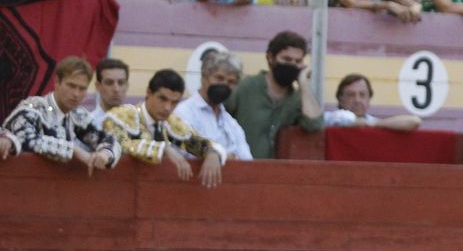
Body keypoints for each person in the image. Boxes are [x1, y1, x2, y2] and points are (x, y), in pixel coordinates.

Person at [105, 67, 225, 186]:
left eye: (174, 102)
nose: (167, 107)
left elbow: (197, 143)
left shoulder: (172, 123)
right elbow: (119, 144)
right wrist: (164, 149)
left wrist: (212, 153)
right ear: (149, 93)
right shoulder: (120, 116)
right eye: (162, 99)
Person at [0, 57, 121, 173]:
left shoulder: (77, 115)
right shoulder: (33, 108)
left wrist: (104, 154)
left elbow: (110, 140)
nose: (76, 94)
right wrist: (73, 151)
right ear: (57, 82)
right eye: (71, 86)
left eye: (82, 89)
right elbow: (25, 140)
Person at [225, 30, 324, 160]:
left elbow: (315, 125)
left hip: (278, 170)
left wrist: (304, 84)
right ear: (271, 58)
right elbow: (218, 118)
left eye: (298, 61)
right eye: (287, 59)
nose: (292, 65)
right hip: (242, 167)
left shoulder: (297, 98)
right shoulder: (246, 87)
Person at [174, 47, 252, 160]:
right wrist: (226, 156)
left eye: (231, 81)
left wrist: (221, 156)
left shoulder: (231, 124)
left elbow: (247, 161)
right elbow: (183, 151)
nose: (224, 84)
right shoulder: (184, 112)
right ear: (204, 76)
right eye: (219, 78)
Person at [325, 73, 422, 131]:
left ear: (369, 99)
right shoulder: (328, 119)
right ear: (340, 100)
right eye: (351, 95)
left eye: (362, 94)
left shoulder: (373, 122)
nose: (357, 100)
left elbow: (415, 121)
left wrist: (370, 124)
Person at [87, 57, 131, 128]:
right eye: (109, 83)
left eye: (121, 83)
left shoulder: (136, 124)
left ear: (127, 86)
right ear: (98, 86)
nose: (116, 89)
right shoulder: (88, 125)